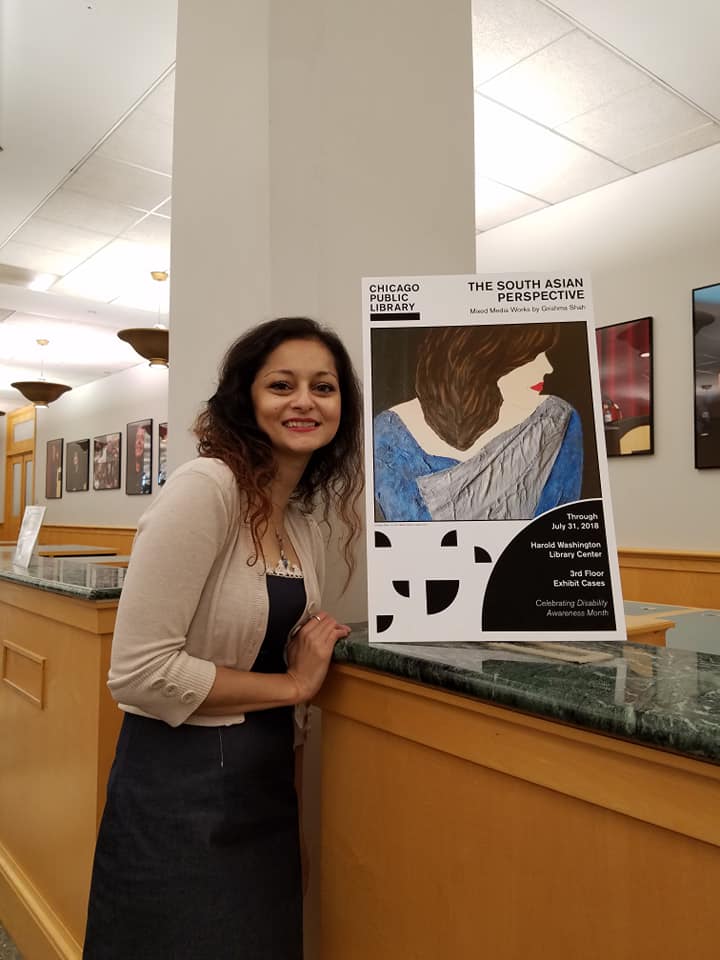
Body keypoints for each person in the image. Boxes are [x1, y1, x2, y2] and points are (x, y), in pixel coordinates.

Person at [83, 317, 363, 959]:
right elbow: (138, 672)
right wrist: (293, 683)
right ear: (246, 398)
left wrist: (294, 806)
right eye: (281, 385)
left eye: (324, 387)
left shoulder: (304, 523)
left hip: (264, 789)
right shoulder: (204, 489)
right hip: (179, 789)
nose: (304, 401)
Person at [373, 323, 583, 521]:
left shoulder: (554, 420)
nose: (547, 368)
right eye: (532, 356)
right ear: (480, 358)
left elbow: (552, 531)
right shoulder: (390, 433)